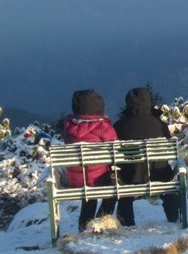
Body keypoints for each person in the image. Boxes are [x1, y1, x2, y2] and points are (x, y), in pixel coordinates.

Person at [113, 87, 179, 226]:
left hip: (131, 176)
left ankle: (127, 222)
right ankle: (174, 216)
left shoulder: (120, 126)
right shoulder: (159, 124)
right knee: (167, 180)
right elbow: (167, 142)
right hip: (159, 173)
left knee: (123, 184)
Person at [62, 89, 117, 232]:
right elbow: (115, 149)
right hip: (99, 178)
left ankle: (83, 228)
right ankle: (99, 222)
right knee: (113, 193)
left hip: (77, 179)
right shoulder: (103, 127)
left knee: (88, 199)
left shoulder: (69, 127)